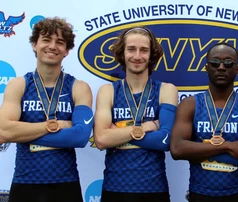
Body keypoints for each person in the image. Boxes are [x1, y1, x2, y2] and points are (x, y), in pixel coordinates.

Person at [0, 17, 94, 202]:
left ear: (66, 51)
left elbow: (80, 136)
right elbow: (4, 131)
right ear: (35, 44)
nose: (52, 46)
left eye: (60, 42)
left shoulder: (78, 87)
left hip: (66, 184)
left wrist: (21, 131)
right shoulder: (19, 85)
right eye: (46, 40)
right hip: (25, 182)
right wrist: (56, 125)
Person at [170, 42, 238, 202]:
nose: (221, 67)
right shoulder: (190, 104)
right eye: (215, 63)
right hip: (200, 194)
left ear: (237, 69)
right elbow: (177, 149)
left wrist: (198, 152)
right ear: (206, 67)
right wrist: (229, 146)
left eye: (228, 63)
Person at [93, 26, 178, 202]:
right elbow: (101, 139)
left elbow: (166, 140)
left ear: (151, 54)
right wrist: (151, 125)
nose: (137, 56)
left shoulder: (166, 90)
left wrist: (117, 131)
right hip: (114, 188)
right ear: (122, 53)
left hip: (154, 189)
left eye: (144, 50)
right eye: (131, 49)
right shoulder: (108, 91)